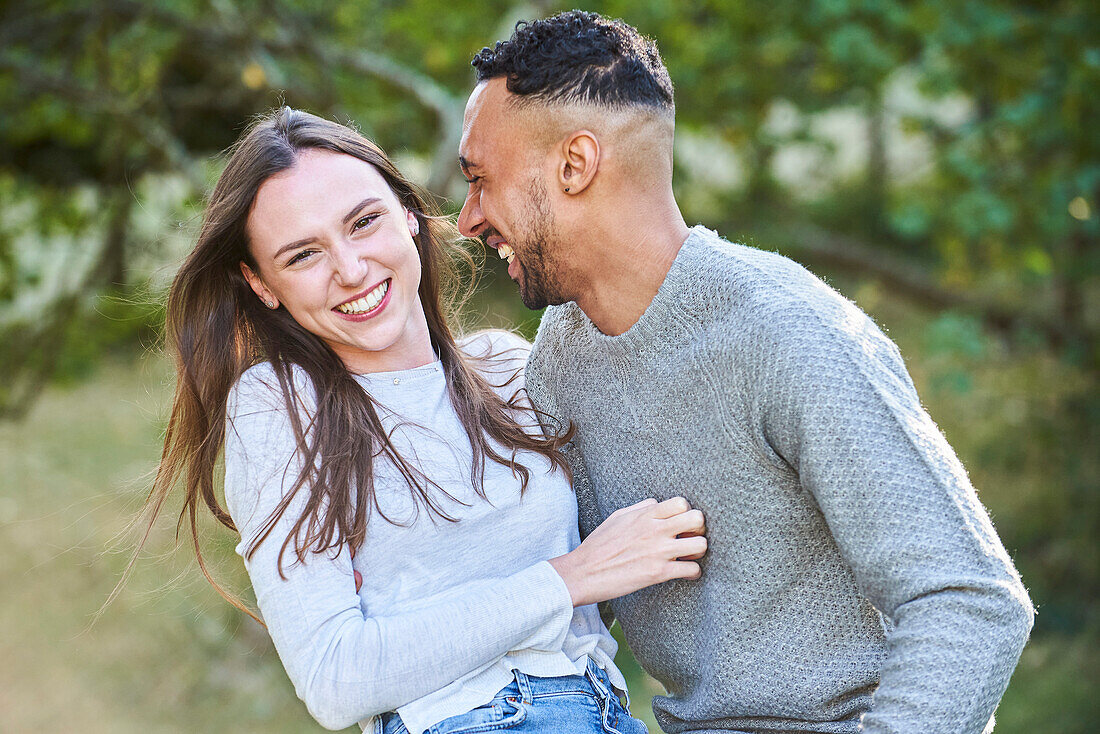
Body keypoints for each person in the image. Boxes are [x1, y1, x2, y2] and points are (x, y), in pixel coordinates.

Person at [456, 11, 1035, 734]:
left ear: (575, 165)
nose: (466, 219)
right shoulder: (559, 361)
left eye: (480, 180)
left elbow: (971, 599)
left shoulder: (785, 332)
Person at [141, 106, 710, 734]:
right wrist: (568, 579)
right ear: (261, 283)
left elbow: (630, 558)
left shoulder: (510, 368)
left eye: (364, 222)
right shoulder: (280, 403)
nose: (350, 270)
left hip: (607, 711)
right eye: (303, 255)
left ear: (408, 214)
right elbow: (335, 677)